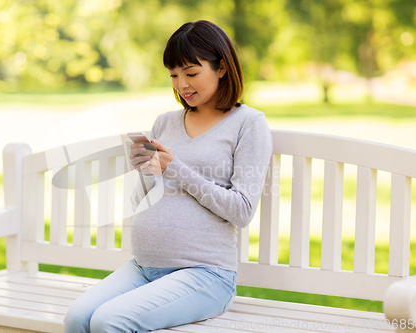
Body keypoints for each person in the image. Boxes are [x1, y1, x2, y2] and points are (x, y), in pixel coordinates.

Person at [64, 19, 273, 333]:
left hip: (206, 275)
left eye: (191, 73)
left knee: (110, 321)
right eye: (174, 75)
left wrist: (175, 168)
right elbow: (146, 199)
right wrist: (146, 171)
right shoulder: (165, 122)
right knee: (77, 318)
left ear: (221, 68)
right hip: (144, 268)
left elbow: (242, 211)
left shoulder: (249, 124)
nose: (181, 85)